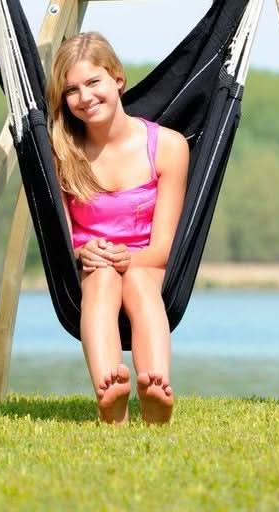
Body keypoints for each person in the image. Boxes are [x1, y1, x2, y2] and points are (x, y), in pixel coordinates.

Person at [47, 31, 189, 426]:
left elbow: (164, 247)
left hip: (148, 261)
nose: (85, 97)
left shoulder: (169, 146)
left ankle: (155, 385)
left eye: (93, 82)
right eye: (71, 90)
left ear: (118, 79)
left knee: (139, 282)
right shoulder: (60, 153)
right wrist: (81, 252)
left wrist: (132, 257)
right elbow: (63, 237)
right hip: (94, 265)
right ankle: (109, 392)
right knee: (101, 280)